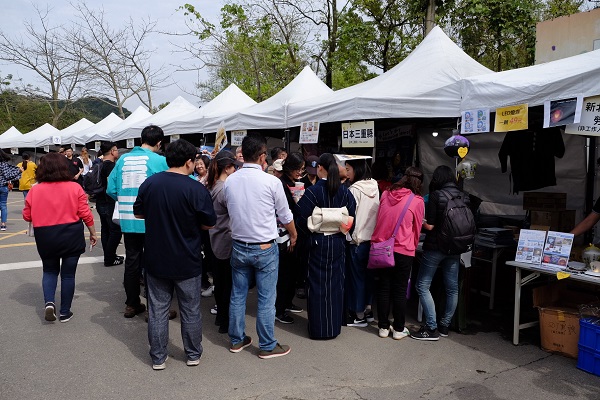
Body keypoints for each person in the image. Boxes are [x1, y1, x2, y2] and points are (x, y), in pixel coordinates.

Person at [134, 139, 216, 370]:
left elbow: (139, 215)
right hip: (187, 258)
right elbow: (209, 224)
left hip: (155, 257)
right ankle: (192, 354)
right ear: (189, 162)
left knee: (158, 310)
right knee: (190, 309)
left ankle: (158, 357)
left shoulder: (150, 184)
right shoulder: (195, 188)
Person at [224, 134, 296, 359]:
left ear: (243, 154)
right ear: (263, 155)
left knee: (238, 294)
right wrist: (293, 234)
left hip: (239, 245)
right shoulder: (271, 182)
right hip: (264, 247)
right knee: (266, 297)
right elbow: (285, 215)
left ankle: (237, 340)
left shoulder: (230, 180)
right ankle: (266, 344)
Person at [23, 153, 98, 322]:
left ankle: (49, 302)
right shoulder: (74, 187)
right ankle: (65, 312)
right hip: (71, 233)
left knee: (49, 270)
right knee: (68, 275)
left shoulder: (35, 189)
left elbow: (27, 216)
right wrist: (93, 233)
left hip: (45, 235)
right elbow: (85, 213)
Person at [107, 125, 169, 319]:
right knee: (154, 263)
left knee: (132, 262)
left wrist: (125, 199)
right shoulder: (160, 160)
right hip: (152, 219)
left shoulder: (123, 159)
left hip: (128, 218)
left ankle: (132, 304)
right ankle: (155, 308)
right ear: (159, 143)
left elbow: (110, 187)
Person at [297, 153, 356, 340]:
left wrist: (309, 235)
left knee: (316, 285)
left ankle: (318, 328)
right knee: (335, 285)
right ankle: (333, 327)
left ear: (320, 168)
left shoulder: (313, 191)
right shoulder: (345, 192)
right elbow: (351, 218)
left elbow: (300, 219)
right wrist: (341, 230)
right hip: (338, 241)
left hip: (317, 242)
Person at [412, 165, 469, 341]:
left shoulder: (436, 196)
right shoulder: (463, 196)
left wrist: (420, 221)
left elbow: (430, 226)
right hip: (456, 248)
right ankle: (444, 325)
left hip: (436, 247)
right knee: (452, 288)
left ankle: (431, 327)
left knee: (422, 285)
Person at [370, 167, 425, 339]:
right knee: (400, 290)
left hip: (383, 247)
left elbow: (381, 218)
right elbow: (417, 229)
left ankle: (383, 327)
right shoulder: (417, 201)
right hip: (404, 250)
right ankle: (399, 329)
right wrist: (412, 246)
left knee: (384, 287)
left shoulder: (386, 194)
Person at [206, 150, 242, 334]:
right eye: (234, 167)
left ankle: (222, 318)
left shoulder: (212, 185)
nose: (236, 170)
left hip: (215, 238)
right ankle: (226, 321)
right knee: (227, 284)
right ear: (227, 168)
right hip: (225, 240)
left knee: (221, 283)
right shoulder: (223, 189)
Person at [345, 158, 379, 327]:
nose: (347, 172)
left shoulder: (353, 190)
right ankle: (368, 310)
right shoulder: (375, 186)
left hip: (356, 241)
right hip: (371, 240)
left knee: (357, 278)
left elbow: (349, 217)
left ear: (357, 170)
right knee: (368, 278)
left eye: (349, 168)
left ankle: (358, 316)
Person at [274, 152, 305, 325]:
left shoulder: (292, 183)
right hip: (284, 234)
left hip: (292, 232)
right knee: (284, 273)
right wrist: (292, 235)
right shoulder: (281, 184)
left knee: (291, 272)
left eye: (302, 170)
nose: (300, 173)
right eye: (298, 169)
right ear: (290, 168)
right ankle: (279, 309)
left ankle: (286, 302)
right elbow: (284, 214)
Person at [95, 142, 123, 267]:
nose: (117, 152)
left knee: (105, 229)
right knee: (115, 231)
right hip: (109, 201)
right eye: (116, 150)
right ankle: (110, 257)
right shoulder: (111, 166)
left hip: (100, 201)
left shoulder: (99, 164)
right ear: (112, 151)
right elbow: (111, 187)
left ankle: (109, 255)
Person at [1, 150, 21, 231]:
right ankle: (3, 224)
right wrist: (18, 171)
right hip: (3, 186)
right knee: (3, 205)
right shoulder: (3, 164)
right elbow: (8, 175)